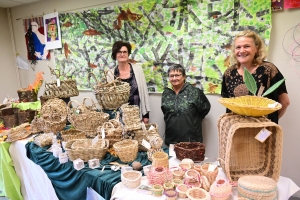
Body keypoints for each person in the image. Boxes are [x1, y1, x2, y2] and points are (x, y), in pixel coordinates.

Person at [221, 30, 290, 124]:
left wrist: (270, 122)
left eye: (247, 46)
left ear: (256, 49)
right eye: (238, 47)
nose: (242, 50)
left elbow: (285, 102)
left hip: (262, 131)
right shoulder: (228, 73)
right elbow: (229, 104)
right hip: (236, 130)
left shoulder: (269, 70)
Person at [161, 64, 211, 146]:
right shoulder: (166, 94)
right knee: (171, 159)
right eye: (171, 76)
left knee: (190, 159)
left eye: (177, 75)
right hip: (171, 139)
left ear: (184, 76)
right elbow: (165, 112)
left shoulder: (195, 92)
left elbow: (205, 109)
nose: (174, 78)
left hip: (191, 140)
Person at [107, 41, 150, 123]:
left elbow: (144, 93)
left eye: (124, 52)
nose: (122, 54)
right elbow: (109, 100)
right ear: (115, 55)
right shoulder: (110, 74)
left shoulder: (138, 70)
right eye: (119, 52)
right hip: (117, 117)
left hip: (136, 115)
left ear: (128, 54)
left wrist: (146, 115)